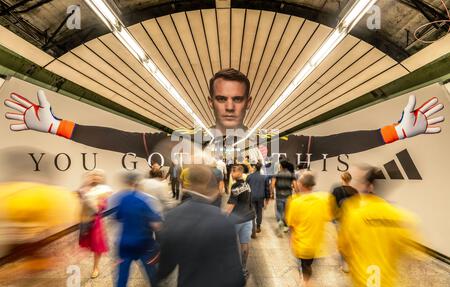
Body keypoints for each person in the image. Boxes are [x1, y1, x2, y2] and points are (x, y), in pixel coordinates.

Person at [4, 69, 444, 169]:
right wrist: (58, 125)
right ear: (211, 101)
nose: (229, 106)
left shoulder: (277, 143)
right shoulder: (181, 140)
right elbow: (119, 138)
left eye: (236, 99)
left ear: (248, 102)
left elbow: (334, 143)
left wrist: (398, 131)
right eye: (221, 98)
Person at [157, 165, 245, 287]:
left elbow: (165, 265)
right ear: (207, 183)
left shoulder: (173, 216)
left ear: (188, 183)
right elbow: (235, 274)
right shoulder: (223, 220)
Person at [338, 164, 419, 287]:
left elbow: (343, 246)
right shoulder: (400, 216)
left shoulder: (354, 211)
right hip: (385, 286)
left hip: (361, 285)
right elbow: (411, 253)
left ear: (370, 186)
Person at [112, 172, 163, 287]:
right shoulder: (146, 199)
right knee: (153, 277)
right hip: (145, 245)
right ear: (138, 183)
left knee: (122, 279)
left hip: (124, 245)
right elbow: (156, 224)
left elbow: (118, 217)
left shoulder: (122, 199)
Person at [285, 172, 333, 287]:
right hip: (318, 245)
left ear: (301, 184)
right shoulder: (324, 199)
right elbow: (328, 218)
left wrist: (291, 243)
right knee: (308, 272)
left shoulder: (295, 201)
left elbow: (291, 226)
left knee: (307, 278)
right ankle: (305, 286)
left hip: (303, 246)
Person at [78, 169, 112, 279]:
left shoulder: (105, 190)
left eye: (98, 175)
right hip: (84, 220)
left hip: (96, 221)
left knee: (97, 246)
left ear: (102, 178)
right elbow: (81, 202)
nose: (95, 177)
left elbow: (101, 206)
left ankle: (95, 268)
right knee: (87, 244)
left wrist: (88, 197)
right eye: (93, 175)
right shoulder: (85, 188)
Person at [225, 164, 256, 278]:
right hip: (247, 218)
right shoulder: (247, 185)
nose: (231, 174)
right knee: (244, 244)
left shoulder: (235, 186)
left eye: (233, 172)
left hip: (236, 220)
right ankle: (243, 268)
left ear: (238, 173)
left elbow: (231, 205)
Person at [271, 159, 297, 235]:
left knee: (279, 211)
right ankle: (285, 226)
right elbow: (295, 185)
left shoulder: (277, 174)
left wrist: (271, 193)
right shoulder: (291, 175)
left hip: (279, 195)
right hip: (288, 195)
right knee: (287, 211)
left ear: (281, 165)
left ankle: (280, 222)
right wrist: (298, 193)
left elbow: (272, 184)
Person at [246, 162, 268, 237]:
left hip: (251, 196)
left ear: (255, 167)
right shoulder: (264, 177)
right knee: (259, 212)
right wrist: (267, 199)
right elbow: (266, 189)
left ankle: (252, 229)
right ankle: (258, 226)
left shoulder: (249, 177)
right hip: (261, 197)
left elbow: (246, 188)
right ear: (261, 168)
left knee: (252, 212)